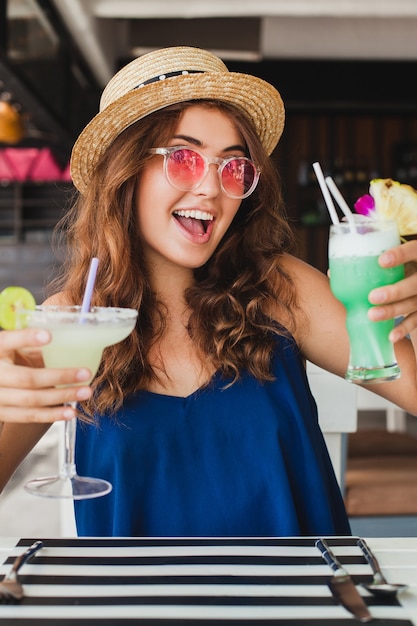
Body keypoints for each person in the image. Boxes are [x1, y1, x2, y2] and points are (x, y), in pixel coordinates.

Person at [1, 47, 417, 537]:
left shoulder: (280, 289)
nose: (211, 188)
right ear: (125, 173)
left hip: (302, 601)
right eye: (183, 158)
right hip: (134, 607)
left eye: (232, 166)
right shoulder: (71, 320)